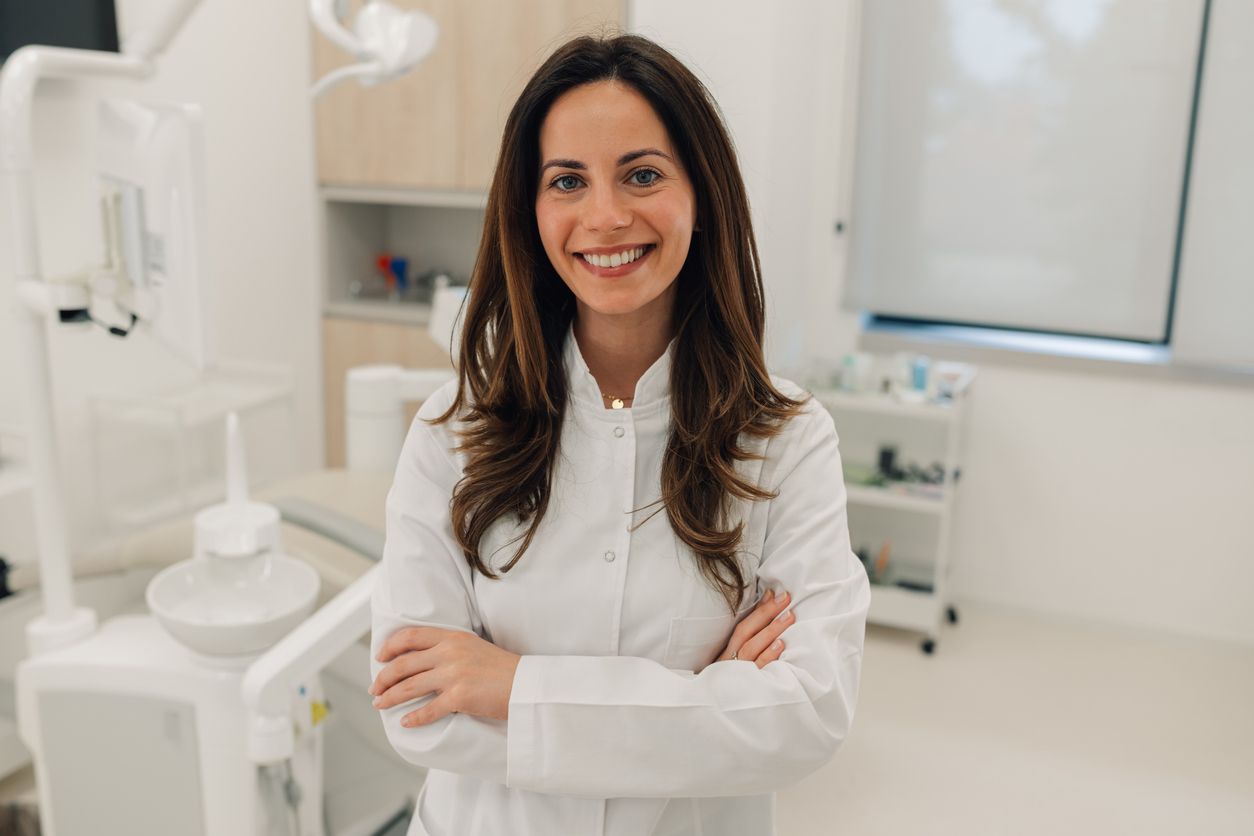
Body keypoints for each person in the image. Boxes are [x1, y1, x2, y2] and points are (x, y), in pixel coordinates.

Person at [367, 33, 870, 836]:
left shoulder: (788, 439)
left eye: (642, 174)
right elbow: (418, 710)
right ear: (530, 213)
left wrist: (512, 688)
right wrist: (707, 704)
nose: (605, 216)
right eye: (567, 180)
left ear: (700, 196)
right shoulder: (451, 434)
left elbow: (806, 716)